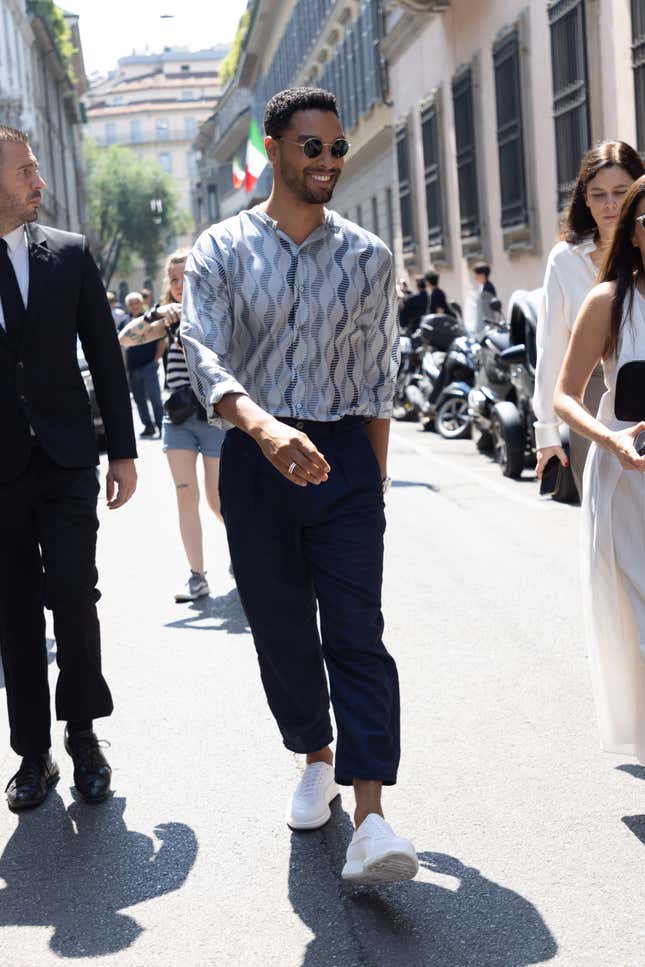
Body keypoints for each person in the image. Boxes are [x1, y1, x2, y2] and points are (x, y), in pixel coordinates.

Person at [181, 87, 418, 885]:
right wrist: (261, 425)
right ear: (276, 149)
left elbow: (381, 377)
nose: (327, 161)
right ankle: (312, 751)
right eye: (311, 147)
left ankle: (372, 816)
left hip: (343, 459)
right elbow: (202, 354)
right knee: (281, 631)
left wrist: (372, 482)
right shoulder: (218, 249)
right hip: (257, 457)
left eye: (336, 147)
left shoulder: (369, 256)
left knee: (356, 630)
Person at [0, 125, 137, 812]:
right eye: (24, 169)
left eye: (36, 167)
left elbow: (106, 356)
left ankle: (83, 734)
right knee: (14, 613)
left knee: (74, 592)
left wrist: (123, 449)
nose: (37, 180)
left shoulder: (69, 254)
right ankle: (33, 754)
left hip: (67, 459)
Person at [554, 174, 645, 764]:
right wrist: (608, 440)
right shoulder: (609, 301)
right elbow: (565, 394)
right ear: (634, 232)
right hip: (628, 484)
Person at [534, 141, 644, 493]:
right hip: (591, 395)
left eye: (620, 192)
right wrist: (546, 431)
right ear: (584, 199)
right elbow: (551, 345)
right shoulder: (565, 259)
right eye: (598, 194)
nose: (610, 204)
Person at [119, 251, 225, 602]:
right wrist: (156, 313)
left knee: (217, 499)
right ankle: (197, 576)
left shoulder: (216, 311)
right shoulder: (166, 318)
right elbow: (125, 337)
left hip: (214, 416)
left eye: (187, 278)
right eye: (175, 280)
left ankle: (248, 554)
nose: (181, 285)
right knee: (185, 495)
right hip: (177, 416)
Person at [121, 291, 165, 438]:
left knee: (155, 398)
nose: (134, 306)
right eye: (131, 303)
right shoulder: (124, 322)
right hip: (133, 369)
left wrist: (156, 359)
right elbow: (121, 344)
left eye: (136, 302)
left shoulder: (149, 319)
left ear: (142, 303)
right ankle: (148, 427)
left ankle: (161, 426)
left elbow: (161, 341)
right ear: (127, 306)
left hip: (149, 365)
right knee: (139, 400)